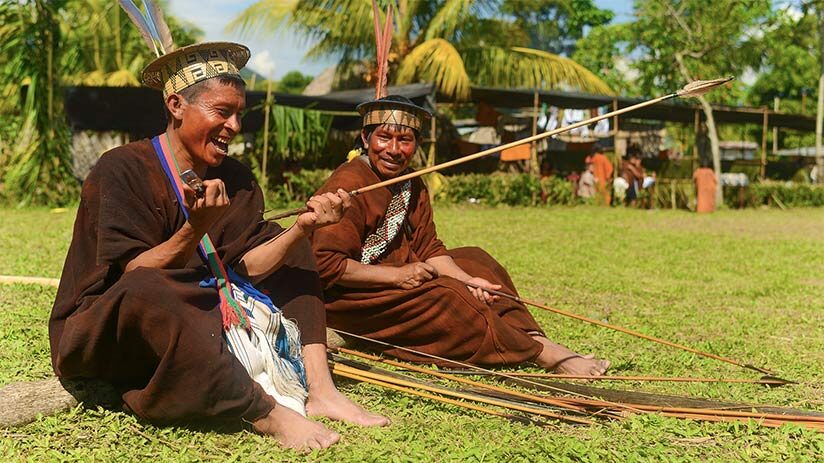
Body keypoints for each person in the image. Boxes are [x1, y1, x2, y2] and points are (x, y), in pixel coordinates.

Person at [49, 41, 386, 451]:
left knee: (293, 249)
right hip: (111, 323)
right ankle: (266, 413)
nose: (234, 126)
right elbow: (136, 276)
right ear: (176, 105)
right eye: (222, 111)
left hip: (202, 305)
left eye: (239, 113)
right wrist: (196, 228)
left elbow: (246, 267)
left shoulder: (237, 178)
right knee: (153, 290)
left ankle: (321, 390)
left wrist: (303, 229)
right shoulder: (120, 168)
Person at [308, 95, 610, 376]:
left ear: (417, 144)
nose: (394, 150)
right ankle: (541, 353)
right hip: (351, 299)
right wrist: (398, 277)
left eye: (405, 140)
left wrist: (467, 279)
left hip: (400, 279)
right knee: (448, 298)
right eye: (384, 138)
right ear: (365, 138)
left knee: (477, 261)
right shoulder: (348, 183)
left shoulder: (412, 184)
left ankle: (527, 333)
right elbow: (326, 266)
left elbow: (429, 248)